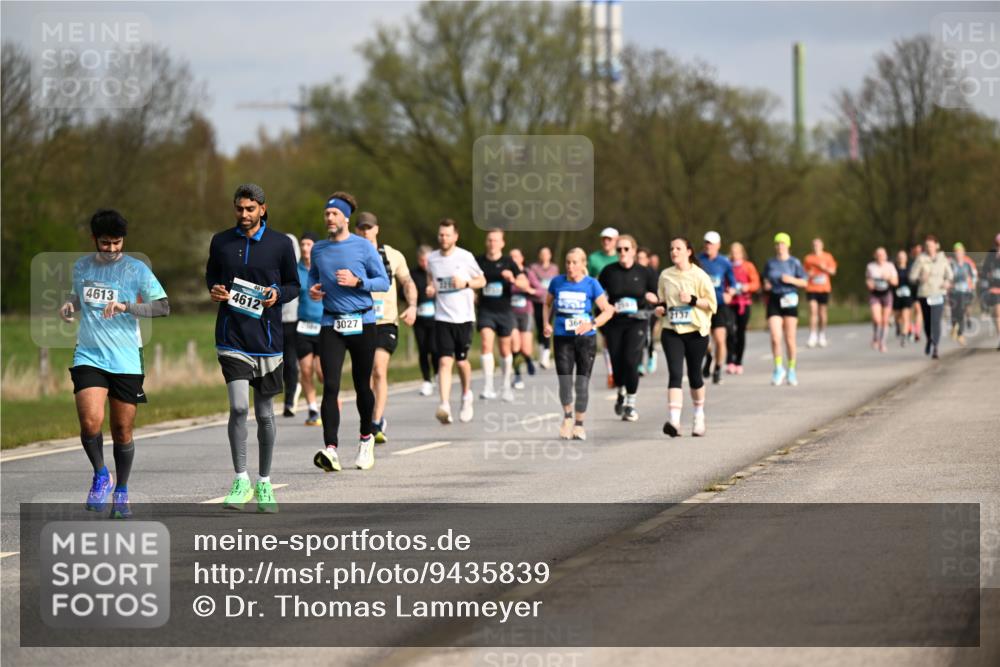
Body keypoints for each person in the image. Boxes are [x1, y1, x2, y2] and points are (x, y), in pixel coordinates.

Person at [59, 209, 170, 519]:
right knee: (90, 422)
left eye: (116, 243)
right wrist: (70, 305)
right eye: (105, 243)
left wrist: (126, 306)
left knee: (122, 430)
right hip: (89, 355)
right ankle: (100, 474)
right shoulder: (81, 267)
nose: (110, 250)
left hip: (125, 358)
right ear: (94, 240)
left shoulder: (137, 270)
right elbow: (79, 297)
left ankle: (122, 491)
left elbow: (163, 307)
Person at [206, 183, 299, 513]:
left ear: (262, 208)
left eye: (249, 209)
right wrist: (215, 290)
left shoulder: (280, 244)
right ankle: (241, 479)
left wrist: (277, 293)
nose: (243, 215)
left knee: (263, 413)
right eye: (239, 209)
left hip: (269, 341)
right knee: (240, 408)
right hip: (232, 339)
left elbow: (293, 285)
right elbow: (212, 279)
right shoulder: (221, 242)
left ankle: (264, 482)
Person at [308, 193, 390, 472]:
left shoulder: (364, 247)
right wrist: (314, 290)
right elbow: (313, 278)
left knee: (361, 385)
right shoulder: (318, 249)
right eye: (326, 214)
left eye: (333, 214)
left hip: (363, 322)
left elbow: (384, 282)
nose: (328, 218)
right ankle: (330, 449)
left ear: (345, 217)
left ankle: (365, 439)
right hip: (331, 323)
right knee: (330, 385)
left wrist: (358, 282)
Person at [356, 212, 417, 444]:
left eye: (369, 228)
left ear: (377, 229)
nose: (365, 232)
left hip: (385, 322)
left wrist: (412, 306)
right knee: (364, 374)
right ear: (356, 231)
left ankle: (376, 421)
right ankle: (368, 418)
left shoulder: (393, 255)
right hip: (360, 320)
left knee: (379, 369)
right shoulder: (351, 253)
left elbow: (408, 282)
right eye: (361, 228)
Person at [543, 248, 615, 441]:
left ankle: (579, 424)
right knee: (565, 381)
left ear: (584, 264)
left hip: (586, 339)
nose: (570, 266)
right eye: (567, 262)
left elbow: (607, 311)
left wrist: (592, 323)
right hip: (562, 337)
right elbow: (547, 304)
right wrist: (546, 323)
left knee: (581, 384)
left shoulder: (592, 284)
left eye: (575, 262)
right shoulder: (557, 282)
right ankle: (567, 418)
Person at [655, 237, 717, 437]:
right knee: (675, 373)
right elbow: (663, 301)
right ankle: (674, 421)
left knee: (694, 375)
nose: (674, 252)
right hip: (671, 331)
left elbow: (712, 305)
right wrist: (660, 308)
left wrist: (692, 300)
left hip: (696, 332)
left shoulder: (699, 276)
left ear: (688, 252)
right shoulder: (665, 275)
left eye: (678, 248)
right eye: (671, 248)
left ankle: (699, 415)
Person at [426, 218, 486, 424]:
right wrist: (431, 288)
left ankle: (466, 395)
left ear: (455, 236)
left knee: (461, 362)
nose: (443, 238)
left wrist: (467, 282)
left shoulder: (465, 257)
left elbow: (482, 280)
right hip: (443, 317)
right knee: (444, 361)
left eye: (447, 235)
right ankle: (444, 405)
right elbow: (430, 279)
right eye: (441, 234)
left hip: (464, 318)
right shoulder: (432, 258)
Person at [598, 234, 658, 421]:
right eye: (619, 249)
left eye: (626, 249)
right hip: (614, 323)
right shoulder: (608, 272)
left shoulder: (645, 272)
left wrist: (652, 299)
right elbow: (598, 297)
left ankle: (630, 404)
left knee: (632, 361)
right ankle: (621, 390)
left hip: (637, 321)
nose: (622, 252)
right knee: (617, 364)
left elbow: (657, 297)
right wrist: (606, 307)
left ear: (633, 251)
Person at [476, 228, 529, 401]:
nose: (492, 243)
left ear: (502, 243)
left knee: (505, 349)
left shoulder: (508, 262)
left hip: (504, 311)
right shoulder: (478, 261)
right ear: (486, 242)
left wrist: (512, 279)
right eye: (490, 240)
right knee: (485, 344)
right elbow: (469, 279)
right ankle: (488, 385)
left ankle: (506, 385)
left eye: (496, 240)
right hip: (485, 310)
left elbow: (524, 282)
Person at [763, 232, 808, 386]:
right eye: (777, 244)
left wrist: (791, 280)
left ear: (788, 245)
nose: (780, 246)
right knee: (775, 338)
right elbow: (766, 279)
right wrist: (766, 285)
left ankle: (791, 370)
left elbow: (805, 282)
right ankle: (778, 368)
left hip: (790, 299)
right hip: (775, 300)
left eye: (782, 243)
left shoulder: (794, 262)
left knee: (790, 338)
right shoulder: (770, 263)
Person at [697, 231, 736, 385]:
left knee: (720, 339)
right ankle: (709, 357)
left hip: (719, 304)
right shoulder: (698, 260)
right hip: (701, 305)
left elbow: (732, 283)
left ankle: (718, 368)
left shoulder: (724, 262)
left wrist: (731, 293)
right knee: (704, 339)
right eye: (706, 242)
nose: (708, 246)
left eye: (711, 243)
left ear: (718, 245)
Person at [295, 232, 324, 426]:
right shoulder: (295, 270)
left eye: (309, 244)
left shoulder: (322, 268)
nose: (305, 248)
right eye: (302, 244)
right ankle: (313, 409)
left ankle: (331, 396)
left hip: (324, 326)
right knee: (306, 371)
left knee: (322, 372)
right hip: (303, 326)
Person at [909, 235, 953, 359]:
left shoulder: (942, 258)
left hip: (939, 293)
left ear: (936, 246)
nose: (929, 248)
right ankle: (929, 339)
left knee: (936, 321)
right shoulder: (920, 259)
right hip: (925, 293)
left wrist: (947, 282)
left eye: (931, 245)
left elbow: (950, 274)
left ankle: (935, 347)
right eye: (927, 246)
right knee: (927, 322)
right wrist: (919, 278)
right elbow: (912, 277)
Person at [725, 242, 760, 374]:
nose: (735, 254)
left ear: (742, 253)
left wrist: (747, 287)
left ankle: (739, 361)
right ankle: (730, 360)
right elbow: (723, 281)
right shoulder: (727, 265)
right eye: (732, 252)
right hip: (730, 303)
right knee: (730, 331)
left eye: (737, 252)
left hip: (744, 303)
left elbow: (756, 283)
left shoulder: (748, 266)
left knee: (740, 332)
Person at [410, 245, 438, 395]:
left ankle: (438, 374)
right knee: (423, 349)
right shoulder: (413, 274)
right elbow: (405, 292)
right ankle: (426, 380)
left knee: (434, 348)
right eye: (422, 260)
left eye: (427, 260)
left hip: (435, 317)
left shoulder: (437, 272)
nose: (424, 263)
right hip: (419, 317)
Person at [509, 247, 537, 389]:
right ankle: (517, 375)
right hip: (510, 313)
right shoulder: (506, 273)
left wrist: (530, 290)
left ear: (521, 258)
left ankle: (528, 359)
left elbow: (540, 291)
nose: (513, 259)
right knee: (514, 345)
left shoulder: (528, 273)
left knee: (525, 348)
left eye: (516, 256)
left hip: (525, 313)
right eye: (511, 257)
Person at [280, 233, 302, 417]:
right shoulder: (274, 266)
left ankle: (289, 400)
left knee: (290, 362)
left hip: (294, 320)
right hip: (275, 320)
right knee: (276, 363)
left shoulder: (299, 269)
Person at [528, 246, 559, 369]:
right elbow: (532, 282)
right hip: (537, 302)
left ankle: (546, 356)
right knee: (539, 327)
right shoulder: (534, 268)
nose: (544, 256)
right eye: (542, 254)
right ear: (539, 255)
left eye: (546, 254)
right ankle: (541, 353)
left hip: (550, 302)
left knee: (547, 326)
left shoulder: (554, 268)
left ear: (550, 255)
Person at [803, 237, 838, 348]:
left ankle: (822, 335)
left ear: (822, 246)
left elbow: (833, 272)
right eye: (814, 245)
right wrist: (809, 274)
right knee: (813, 311)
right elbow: (803, 274)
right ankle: (812, 336)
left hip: (824, 288)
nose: (816, 246)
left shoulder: (828, 257)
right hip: (811, 288)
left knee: (822, 313)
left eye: (818, 245)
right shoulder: (808, 258)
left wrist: (824, 268)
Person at [865, 247, 899, 353]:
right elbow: (868, 280)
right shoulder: (871, 266)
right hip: (875, 295)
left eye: (882, 255)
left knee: (885, 320)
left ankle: (882, 342)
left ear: (886, 256)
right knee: (877, 319)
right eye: (878, 255)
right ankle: (875, 336)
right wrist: (869, 284)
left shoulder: (890, 266)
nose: (880, 257)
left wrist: (888, 278)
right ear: (875, 256)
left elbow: (895, 282)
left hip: (887, 294)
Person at [948, 242, 978, 347]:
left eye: (960, 252)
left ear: (963, 252)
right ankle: (954, 327)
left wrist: (973, 284)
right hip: (953, 291)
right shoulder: (951, 263)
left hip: (965, 291)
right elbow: (946, 275)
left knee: (961, 311)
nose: (958, 254)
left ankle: (960, 333)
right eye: (956, 252)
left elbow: (974, 275)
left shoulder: (968, 263)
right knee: (954, 312)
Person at [636, 247, 659, 375]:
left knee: (647, 336)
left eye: (642, 258)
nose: (639, 261)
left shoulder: (651, 273)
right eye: (637, 258)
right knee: (637, 336)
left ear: (647, 259)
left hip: (650, 309)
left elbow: (656, 292)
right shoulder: (633, 271)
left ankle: (651, 354)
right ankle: (639, 364)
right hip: (636, 309)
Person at [892, 249, 916, 346]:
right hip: (896, 296)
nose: (901, 259)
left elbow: (914, 282)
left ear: (906, 259)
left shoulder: (910, 269)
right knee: (898, 317)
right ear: (897, 259)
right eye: (900, 257)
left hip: (907, 296)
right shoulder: (894, 269)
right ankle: (898, 326)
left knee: (906, 317)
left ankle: (904, 336)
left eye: (903, 257)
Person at [981, 234, 1000, 350]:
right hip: (995, 290)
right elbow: (984, 272)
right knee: (996, 313)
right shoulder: (991, 256)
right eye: (998, 244)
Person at [909, 243, 925, 343]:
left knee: (919, 310)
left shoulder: (925, 262)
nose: (918, 253)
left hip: (921, 290)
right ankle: (910, 328)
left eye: (920, 251)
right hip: (910, 290)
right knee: (910, 312)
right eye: (916, 251)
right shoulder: (910, 262)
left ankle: (917, 331)